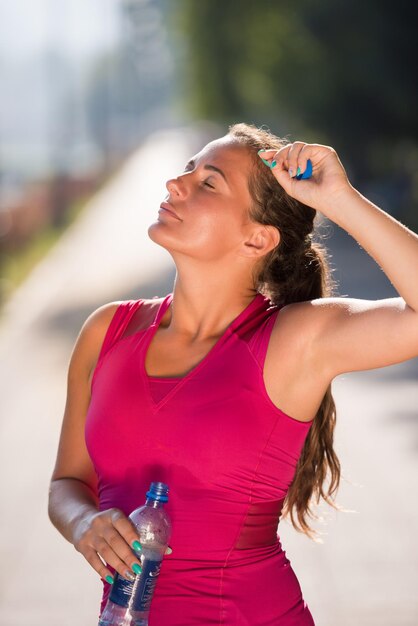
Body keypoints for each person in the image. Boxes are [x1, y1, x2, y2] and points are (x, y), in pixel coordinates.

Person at [48, 122, 418, 625]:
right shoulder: (106, 332)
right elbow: (67, 482)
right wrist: (84, 522)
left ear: (256, 239)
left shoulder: (291, 342)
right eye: (186, 171)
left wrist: (340, 199)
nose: (175, 185)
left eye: (209, 183)